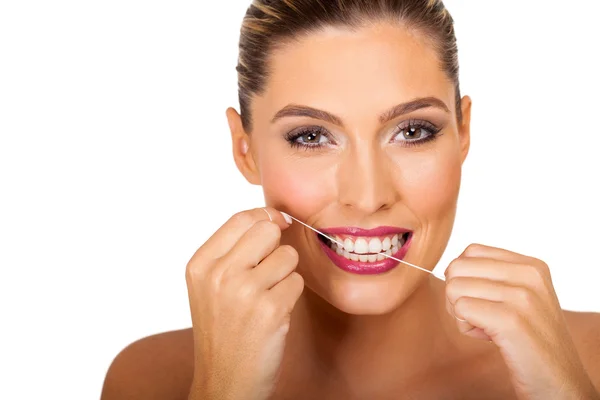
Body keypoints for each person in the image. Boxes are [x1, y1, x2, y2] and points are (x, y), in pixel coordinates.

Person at [101, 0, 600, 398]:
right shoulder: (150, 382)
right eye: (312, 137)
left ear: (463, 132)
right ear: (245, 148)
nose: (367, 196)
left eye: (413, 130)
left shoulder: (589, 359)